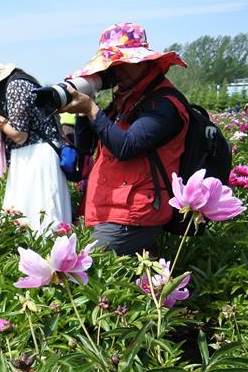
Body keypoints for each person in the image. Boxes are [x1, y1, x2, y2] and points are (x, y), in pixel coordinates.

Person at [61, 23, 190, 255]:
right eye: (114, 65)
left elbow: (126, 146)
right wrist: (83, 109)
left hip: (135, 215)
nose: (118, 70)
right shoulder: (127, 99)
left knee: (86, 269)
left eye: (126, 63)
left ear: (146, 62)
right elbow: (86, 146)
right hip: (110, 209)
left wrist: (92, 109)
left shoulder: (164, 104)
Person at [0, 56, 71, 232]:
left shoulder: (16, 86)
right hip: (29, 155)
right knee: (25, 217)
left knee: (40, 218)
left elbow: (19, 135)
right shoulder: (13, 84)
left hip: (37, 154)